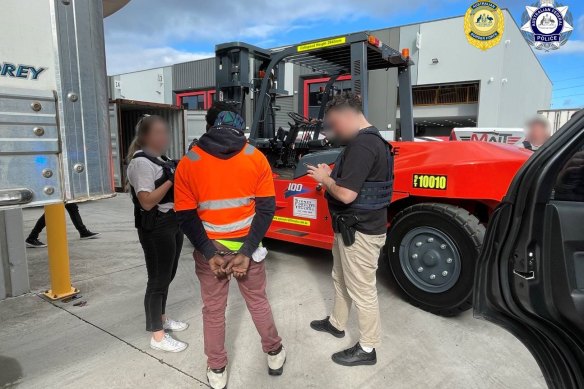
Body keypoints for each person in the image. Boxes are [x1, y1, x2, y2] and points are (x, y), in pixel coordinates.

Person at [174, 106, 285, 389]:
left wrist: (210, 253)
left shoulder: (189, 161)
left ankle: (217, 369)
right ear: (241, 125)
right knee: (258, 302)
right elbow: (266, 209)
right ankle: (274, 354)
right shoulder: (255, 157)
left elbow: (185, 215)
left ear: (209, 125)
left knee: (213, 311)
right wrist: (246, 252)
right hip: (246, 251)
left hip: (209, 251)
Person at [307, 92, 393, 367]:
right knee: (340, 279)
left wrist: (324, 179)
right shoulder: (369, 141)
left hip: (361, 234)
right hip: (351, 229)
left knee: (362, 290)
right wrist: (330, 177)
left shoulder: (363, 145)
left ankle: (367, 349)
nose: (334, 130)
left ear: (347, 115)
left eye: (335, 124)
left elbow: (346, 195)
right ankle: (336, 323)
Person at [126, 115, 188, 353]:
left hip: (172, 221)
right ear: (144, 137)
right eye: (157, 133)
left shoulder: (160, 159)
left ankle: (161, 318)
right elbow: (147, 202)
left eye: (165, 132)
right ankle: (158, 337)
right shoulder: (141, 163)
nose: (163, 137)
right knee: (157, 280)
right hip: (156, 225)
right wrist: (172, 180)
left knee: (167, 275)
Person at [25, 203, 99, 248]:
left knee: (72, 207)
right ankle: (32, 238)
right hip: (55, 188)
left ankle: (83, 232)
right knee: (51, 212)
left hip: (62, 187)